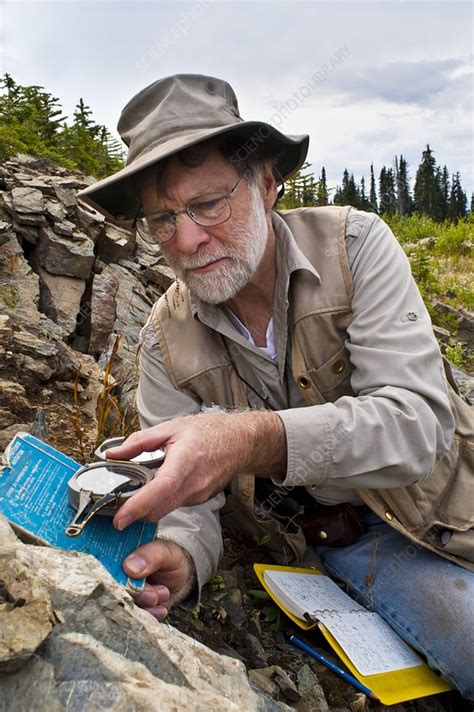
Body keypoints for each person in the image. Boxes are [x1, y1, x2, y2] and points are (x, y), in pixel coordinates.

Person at [78, 74, 474, 699]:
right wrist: (181, 556)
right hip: (354, 545)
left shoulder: (355, 246)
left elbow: (417, 425)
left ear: (266, 184)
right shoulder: (162, 340)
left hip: (456, 497)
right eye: (161, 219)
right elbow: (186, 499)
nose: (185, 241)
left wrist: (243, 439)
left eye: (208, 204)